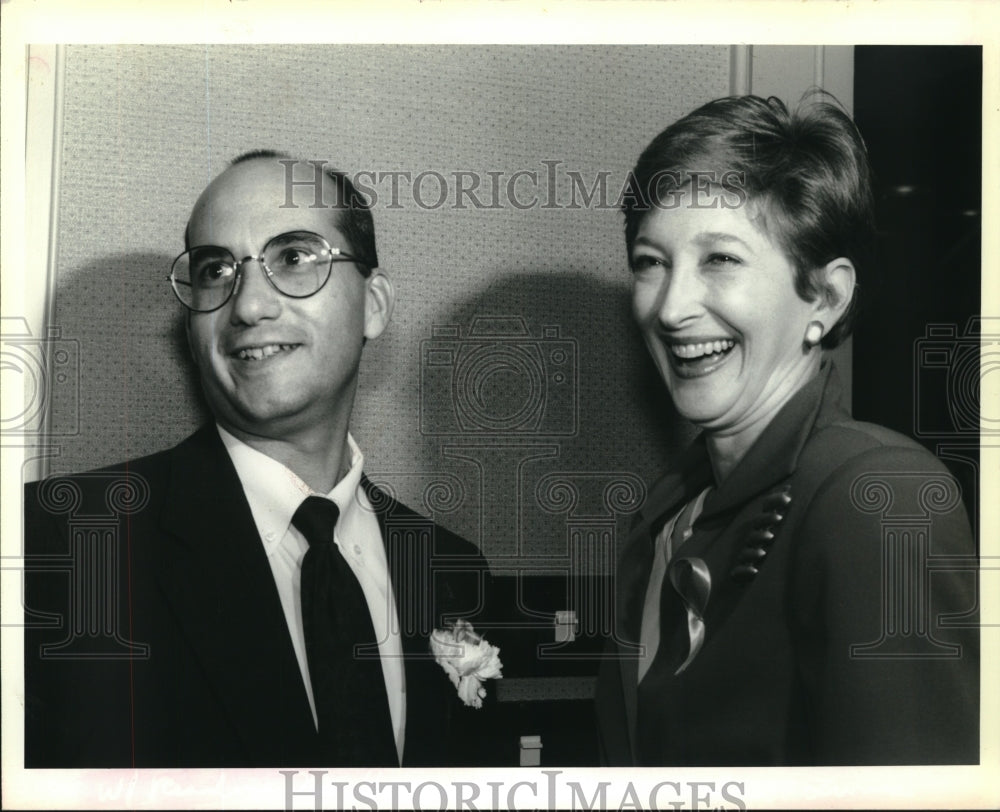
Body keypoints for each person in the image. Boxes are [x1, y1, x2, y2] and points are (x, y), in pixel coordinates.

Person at [24, 151, 493, 768]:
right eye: (216, 269)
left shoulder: (451, 568)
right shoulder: (62, 544)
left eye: (295, 258)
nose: (246, 306)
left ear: (374, 306)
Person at [595, 94, 978, 766]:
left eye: (719, 260)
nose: (672, 307)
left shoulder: (879, 496)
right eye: (650, 262)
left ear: (825, 299)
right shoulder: (666, 512)